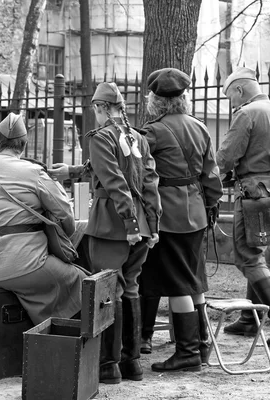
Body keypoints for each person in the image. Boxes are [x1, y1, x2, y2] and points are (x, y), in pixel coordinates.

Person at [0, 113, 86, 325]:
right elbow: (67, 218)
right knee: (84, 283)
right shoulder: (33, 172)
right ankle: (76, 351)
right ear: (23, 145)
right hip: (25, 265)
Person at [139, 68, 223, 373]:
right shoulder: (200, 127)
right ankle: (201, 346)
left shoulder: (153, 131)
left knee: (177, 285)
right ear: (182, 99)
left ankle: (187, 352)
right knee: (193, 281)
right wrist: (211, 206)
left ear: (156, 101)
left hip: (170, 217)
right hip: (197, 212)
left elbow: (137, 170)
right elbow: (212, 176)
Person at [216, 66, 270, 348]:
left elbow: (226, 157)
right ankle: (250, 319)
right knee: (258, 255)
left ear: (239, 90)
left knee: (247, 256)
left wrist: (214, 176)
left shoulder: (247, 113)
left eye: (230, 95)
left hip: (255, 193)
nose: (231, 101)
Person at [84, 82, 160, 384]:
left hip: (113, 225)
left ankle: (108, 366)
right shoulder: (138, 138)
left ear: (101, 107)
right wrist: (151, 227)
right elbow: (151, 184)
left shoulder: (100, 137)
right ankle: (132, 364)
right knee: (130, 288)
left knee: (108, 291)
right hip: (141, 227)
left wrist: (128, 224)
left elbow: (114, 182)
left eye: (95, 109)